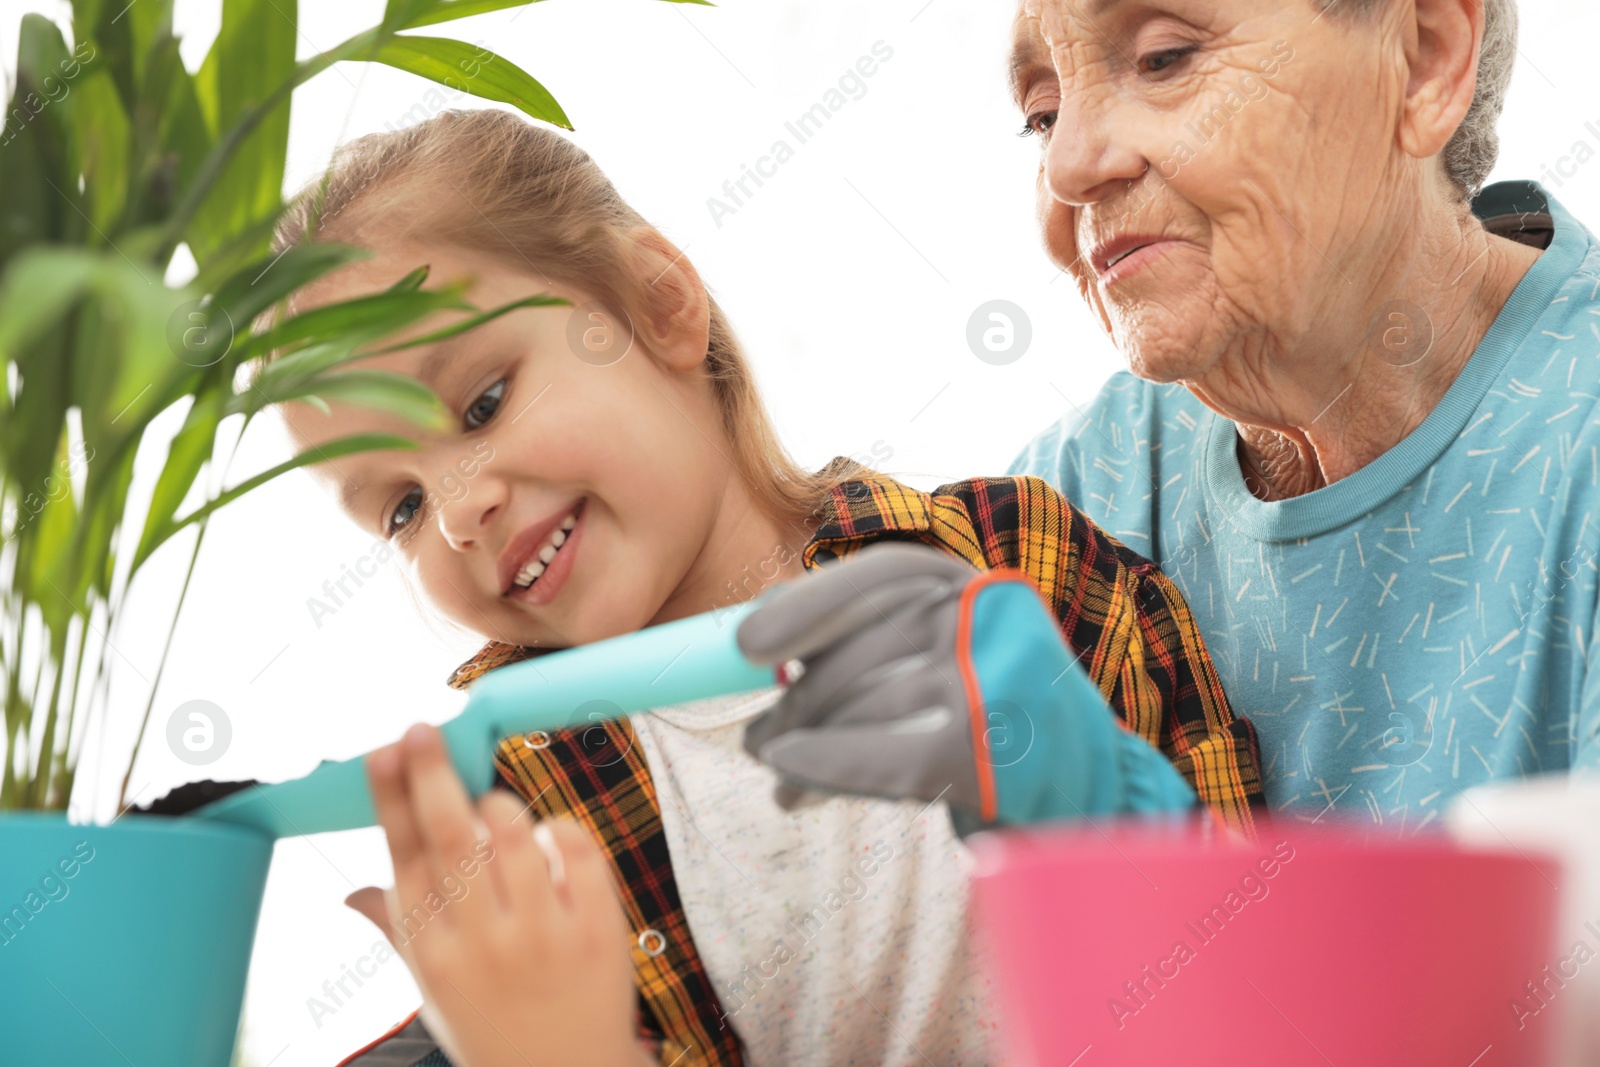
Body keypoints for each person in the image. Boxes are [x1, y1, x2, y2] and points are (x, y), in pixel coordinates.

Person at [259, 109, 1264, 1065]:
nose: (455, 514)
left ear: (657, 304)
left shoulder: (1010, 562)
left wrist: (1088, 815)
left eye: (482, 402)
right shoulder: (515, 824)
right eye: (396, 508)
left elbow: (1265, 991)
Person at [746, 0, 1600, 833]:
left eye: (1163, 57)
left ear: (1421, 60)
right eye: (1043, 116)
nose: (1070, 167)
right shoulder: (1068, 504)